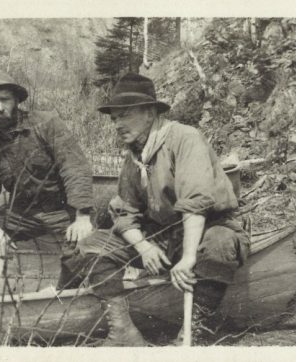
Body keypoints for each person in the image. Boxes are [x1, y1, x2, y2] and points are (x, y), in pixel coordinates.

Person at [76, 73, 250, 346]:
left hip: (206, 229)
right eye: (114, 119)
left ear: (149, 112)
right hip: (163, 235)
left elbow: (195, 202)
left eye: (125, 115)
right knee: (91, 245)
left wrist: (189, 257)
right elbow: (124, 211)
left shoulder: (184, 138)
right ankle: (124, 332)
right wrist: (144, 247)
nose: (118, 124)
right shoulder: (135, 154)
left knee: (219, 244)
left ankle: (195, 332)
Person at [0, 70, 94, 297]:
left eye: (5, 100)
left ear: (17, 101)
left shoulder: (47, 124)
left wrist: (82, 216)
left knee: (84, 247)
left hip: (61, 211)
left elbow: (74, 167)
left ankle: (62, 296)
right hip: (21, 216)